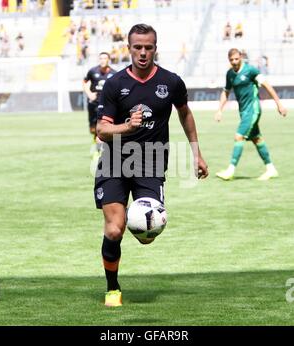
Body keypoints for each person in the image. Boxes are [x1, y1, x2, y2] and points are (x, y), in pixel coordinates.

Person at [94, 24, 208, 307]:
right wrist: (126, 127)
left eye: (148, 47)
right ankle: (112, 289)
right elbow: (102, 129)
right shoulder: (115, 84)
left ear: (155, 48)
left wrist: (196, 153)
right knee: (114, 229)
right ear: (129, 48)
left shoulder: (171, 82)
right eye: (137, 47)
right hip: (114, 163)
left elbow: (185, 114)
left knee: (147, 237)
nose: (143, 53)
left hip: (151, 165)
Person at [215, 48, 287, 181]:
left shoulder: (251, 71)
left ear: (241, 57)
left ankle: (230, 170)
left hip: (253, 109)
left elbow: (267, 86)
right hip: (243, 111)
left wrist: (279, 104)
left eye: (236, 59)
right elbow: (226, 92)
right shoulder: (230, 74)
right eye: (231, 60)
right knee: (257, 139)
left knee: (239, 136)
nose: (234, 62)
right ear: (229, 60)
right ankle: (271, 169)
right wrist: (220, 109)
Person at [83, 52, 117, 173]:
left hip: (107, 105)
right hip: (94, 103)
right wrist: (89, 94)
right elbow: (85, 82)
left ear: (109, 60)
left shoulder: (114, 73)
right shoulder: (93, 71)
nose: (103, 60)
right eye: (101, 58)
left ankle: (100, 150)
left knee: (104, 128)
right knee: (93, 129)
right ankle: (98, 147)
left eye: (105, 58)